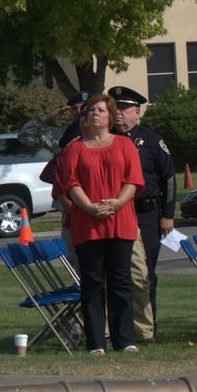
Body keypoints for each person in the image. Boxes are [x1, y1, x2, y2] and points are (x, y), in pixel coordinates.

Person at [55, 93, 144, 355]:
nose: (95, 113)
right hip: (87, 222)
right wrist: (90, 208)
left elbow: (133, 179)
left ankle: (125, 340)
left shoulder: (125, 145)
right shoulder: (74, 148)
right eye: (91, 110)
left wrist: (116, 203)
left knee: (120, 280)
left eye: (101, 110)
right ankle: (96, 342)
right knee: (92, 283)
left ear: (110, 117)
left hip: (120, 219)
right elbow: (70, 184)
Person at [108, 85, 176, 342]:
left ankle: (147, 329)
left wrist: (167, 215)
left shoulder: (150, 140)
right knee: (118, 272)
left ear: (138, 112)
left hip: (146, 214)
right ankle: (120, 328)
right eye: (116, 108)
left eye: (125, 109)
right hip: (116, 212)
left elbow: (169, 177)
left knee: (145, 273)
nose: (119, 114)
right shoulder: (105, 139)